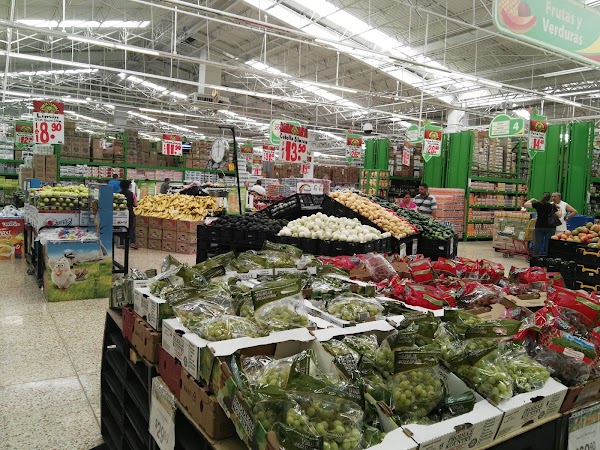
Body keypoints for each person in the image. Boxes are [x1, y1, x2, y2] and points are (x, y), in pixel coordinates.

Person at [524, 192, 561, 257]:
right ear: (550, 199)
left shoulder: (538, 204)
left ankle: (535, 257)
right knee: (548, 243)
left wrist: (532, 199)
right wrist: (559, 209)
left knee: (538, 242)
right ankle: (547, 257)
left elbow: (525, 204)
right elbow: (559, 215)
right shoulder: (552, 206)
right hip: (550, 227)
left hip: (539, 226)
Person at [119, 180, 138, 249]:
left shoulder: (118, 194)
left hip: (120, 213)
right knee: (131, 228)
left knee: (121, 227)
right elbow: (136, 204)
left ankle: (121, 243)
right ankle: (132, 242)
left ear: (120, 186)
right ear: (129, 186)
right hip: (129, 213)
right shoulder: (132, 194)